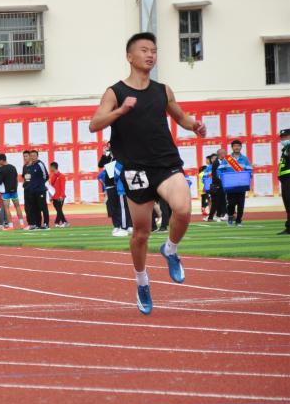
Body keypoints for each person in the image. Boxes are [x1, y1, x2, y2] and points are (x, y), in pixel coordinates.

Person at [88, 32, 206, 316]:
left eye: (153, 50)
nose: (150, 54)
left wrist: (194, 125)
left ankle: (170, 249)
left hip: (166, 162)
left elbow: (180, 116)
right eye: (144, 50)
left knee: (183, 209)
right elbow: (95, 124)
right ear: (130, 57)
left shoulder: (163, 90)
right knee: (141, 233)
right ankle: (142, 281)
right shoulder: (115, 92)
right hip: (134, 169)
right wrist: (120, 110)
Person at [220, 139, 252, 226]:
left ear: (241, 147)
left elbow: (249, 171)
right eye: (235, 146)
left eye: (238, 146)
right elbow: (220, 170)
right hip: (230, 186)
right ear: (232, 147)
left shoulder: (245, 159)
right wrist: (222, 177)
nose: (237, 147)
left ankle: (238, 221)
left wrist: (248, 178)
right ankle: (230, 216)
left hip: (241, 185)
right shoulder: (227, 159)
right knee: (231, 204)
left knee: (241, 204)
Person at [0, 154, 24, 228]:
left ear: (1, 160)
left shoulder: (1, 169)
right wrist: (15, 188)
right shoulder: (13, 167)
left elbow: (0, 181)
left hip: (6, 192)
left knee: (7, 208)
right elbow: (16, 179)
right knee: (17, 206)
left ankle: (11, 225)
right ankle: (22, 224)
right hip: (14, 190)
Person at [49, 161, 68, 227]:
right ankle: (63, 222)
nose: (50, 168)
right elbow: (51, 187)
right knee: (58, 210)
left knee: (59, 210)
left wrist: (61, 196)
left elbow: (63, 187)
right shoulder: (53, 176)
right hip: (54, 196)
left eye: (50, 167)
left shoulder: (62, 176)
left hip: (60, 197)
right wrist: (51, 196)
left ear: (53, 167)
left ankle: (58, 222)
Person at [278, 128, 289, 236]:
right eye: (282, 137)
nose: (283, 139)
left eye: (286, 137)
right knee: (288, 204)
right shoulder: (285, 149)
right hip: (285, 180)